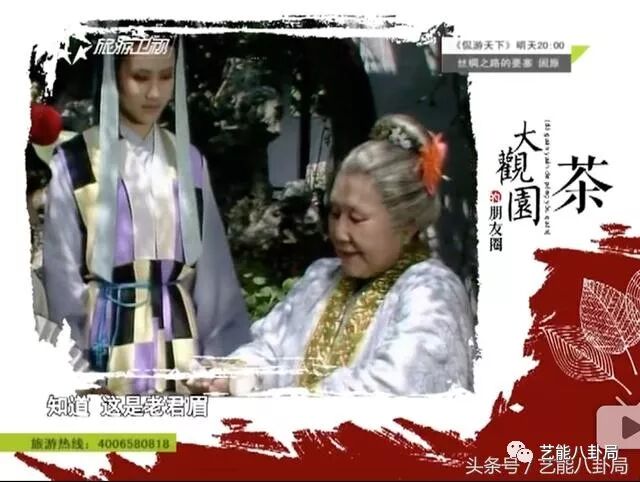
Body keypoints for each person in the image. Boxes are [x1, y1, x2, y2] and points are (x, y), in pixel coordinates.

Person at [187, 114, 475, 396]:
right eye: (335, 213)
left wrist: (280, 403)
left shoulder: (432, 290)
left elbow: (391, 388)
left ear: (407, 224)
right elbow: (271, 347)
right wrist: (237, 373)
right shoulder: (322, 277)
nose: (339, 231)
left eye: (356, 218)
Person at [42, 36, 251, 394]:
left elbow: (215, 283)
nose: (155, 92)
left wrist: (218, 365)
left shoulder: (189, 162)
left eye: (166, 76)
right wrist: (74, 370)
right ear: (115, 76)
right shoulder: (75, 162)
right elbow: (62, 283)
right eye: (140, 77)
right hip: (105, 348)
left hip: (182, 352)